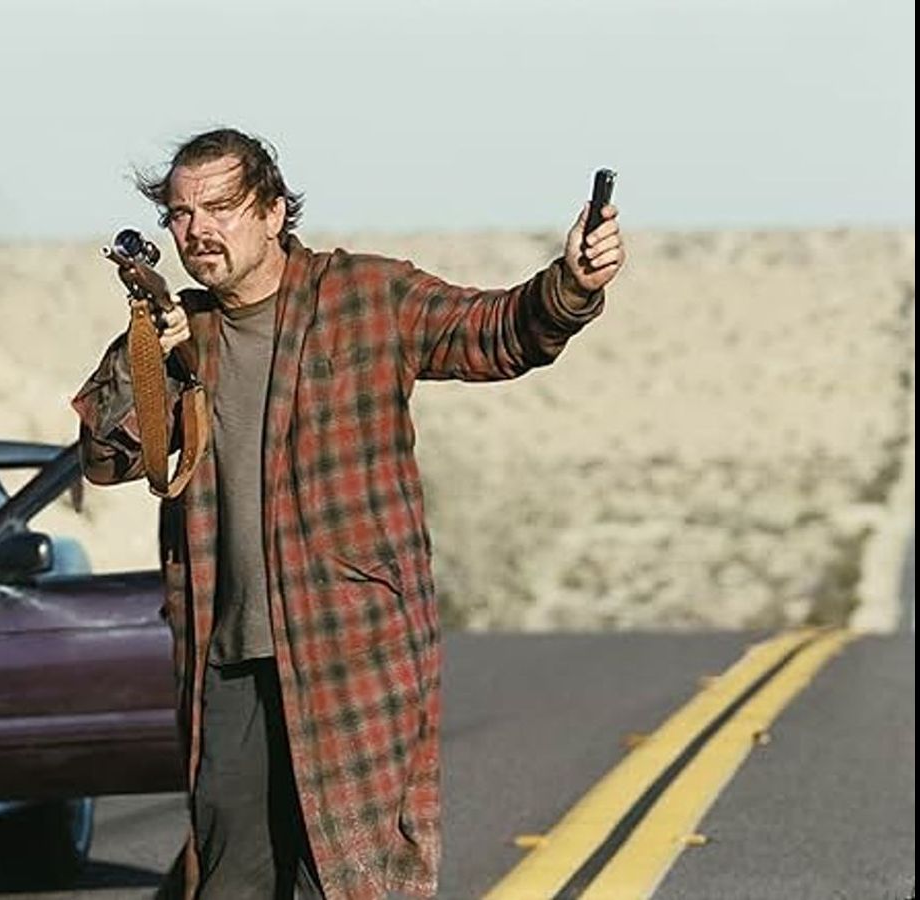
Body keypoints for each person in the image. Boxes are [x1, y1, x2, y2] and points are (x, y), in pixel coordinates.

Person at [71, 128, 626, 900]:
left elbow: (498, 333)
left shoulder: (366, 296)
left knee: (347, 877)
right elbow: (105, 458)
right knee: (229, 875)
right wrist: (147, 355)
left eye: (221, 207)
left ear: (273, 212)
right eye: (181, 214)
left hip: (351, 651)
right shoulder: (181, 332)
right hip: (228, 659)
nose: (197, 230)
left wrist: (570, 285)